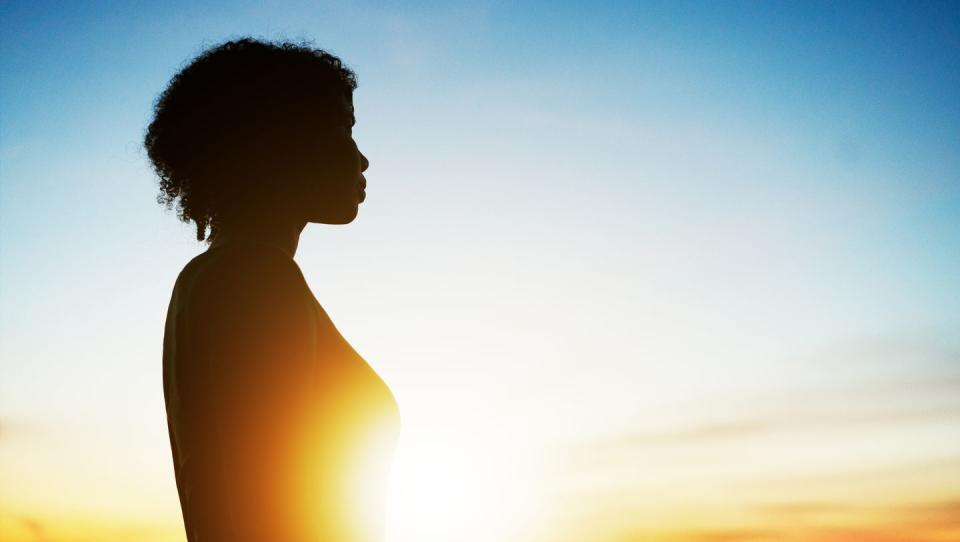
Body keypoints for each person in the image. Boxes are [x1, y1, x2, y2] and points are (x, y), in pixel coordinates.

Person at [145, 38, 400, 541]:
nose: (362, 158)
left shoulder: (215, 277)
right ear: (283, 139)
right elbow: (254, 506)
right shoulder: (254, 277)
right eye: (343, 128)